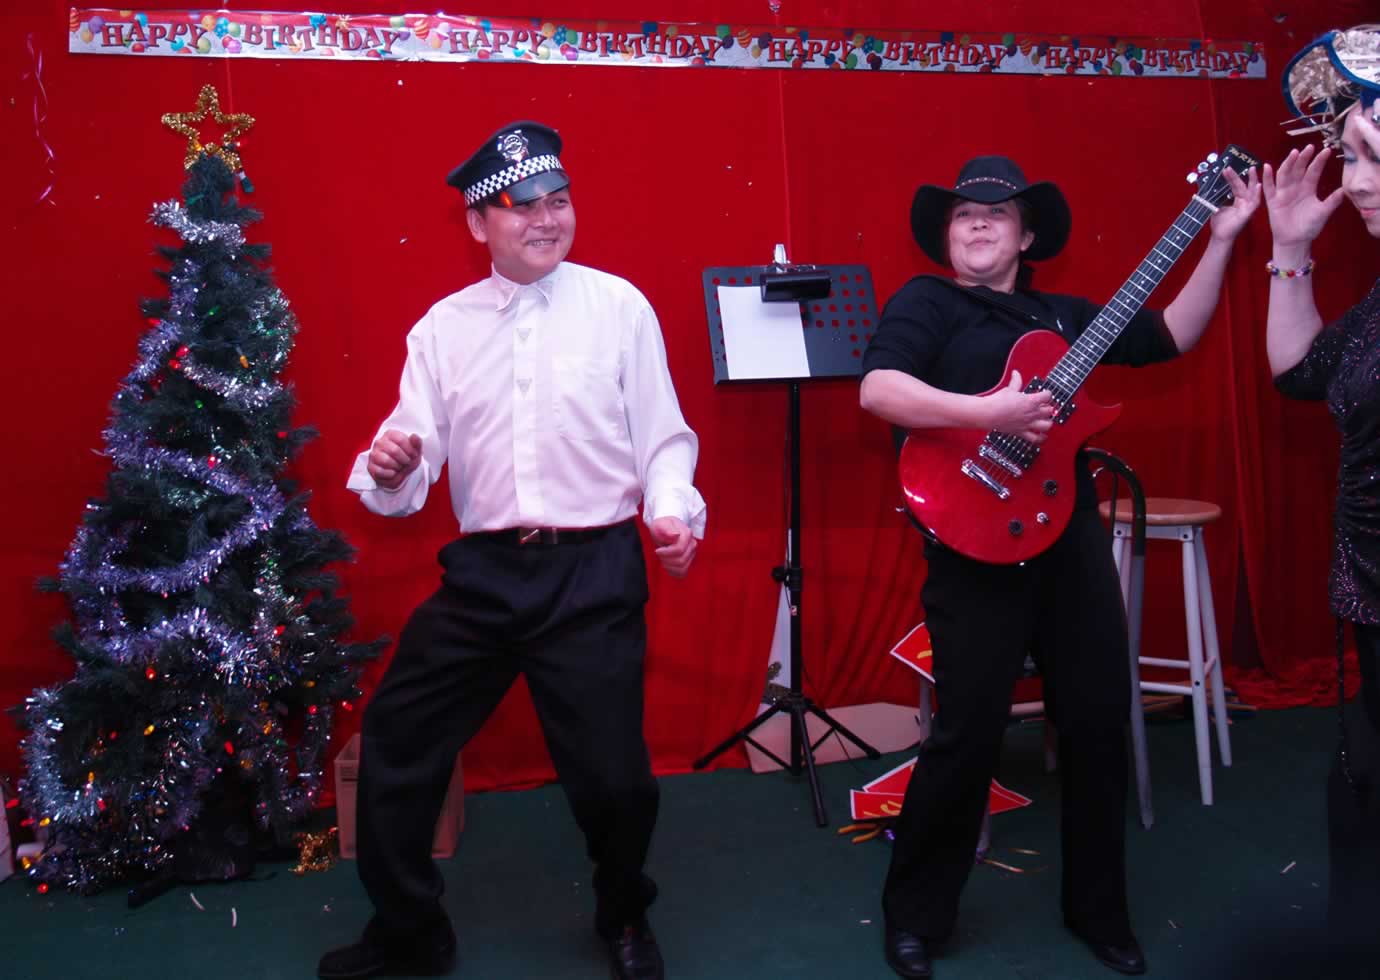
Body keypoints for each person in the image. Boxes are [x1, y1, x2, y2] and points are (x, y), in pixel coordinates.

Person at [318, 120, 705, 980]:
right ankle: (410, 931)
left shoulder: (619, 307)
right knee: (396, 740)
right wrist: (390, 466)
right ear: (476, 222)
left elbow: (664, 438)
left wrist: (672, 513)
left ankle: (623, 913)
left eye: (558, 200)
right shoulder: (442, 329)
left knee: (616, 781)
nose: (546, 218)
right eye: (521, 205)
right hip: (485, 577)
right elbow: (406, 459)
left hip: (594, 572)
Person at [858, 153, 1259, 978]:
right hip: (970, 542)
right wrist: (991, 414)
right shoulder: (926, 302)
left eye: (997, 212)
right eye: (963, 212)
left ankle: (1099, 911)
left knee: (1097, 720)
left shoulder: (1067, 316)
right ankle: (916, 916)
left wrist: (1219, 238)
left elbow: (1172, 334)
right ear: (947, 235)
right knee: (967, 733)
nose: (977, 221)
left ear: (1027, 236)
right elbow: (880, 391)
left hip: (1067, 539)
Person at [1261, 26, 1380, 970]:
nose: (1357, 181)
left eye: (1372, 156)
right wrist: (1290, 249)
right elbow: (1300, 370)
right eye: (1350, 157)